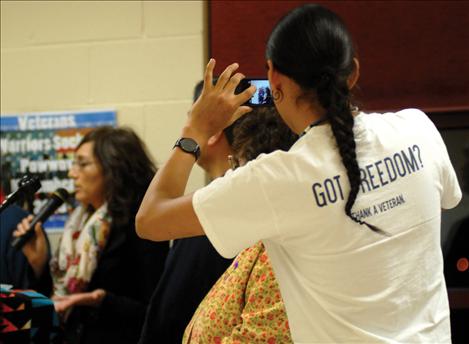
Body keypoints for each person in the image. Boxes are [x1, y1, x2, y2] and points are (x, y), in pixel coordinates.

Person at [136, 4, 462, 343]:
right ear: (353, 73)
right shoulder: (418, 129)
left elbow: (150, 220)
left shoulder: (277, 179)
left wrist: (195, 131)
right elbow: (443, 201)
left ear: (274, 78)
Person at [14, 126, 169, 344]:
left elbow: (155, 309)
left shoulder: (141, 225)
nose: (71, 173)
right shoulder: (78, 224)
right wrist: (39, 264)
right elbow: (58, 300)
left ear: (113, 169)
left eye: (83, 164)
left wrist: (101, 301)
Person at [183, 105, 297, 343]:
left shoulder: (282, 253)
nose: (232, 176)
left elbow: (148, 219)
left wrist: (189, 141)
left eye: (237, 165)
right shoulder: (257, 238)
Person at [138, 81, 234, 344]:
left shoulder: (216, 208)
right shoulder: (263, 194)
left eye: (192, 119)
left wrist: (194, 134)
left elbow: (168, 315)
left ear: (213, 132)